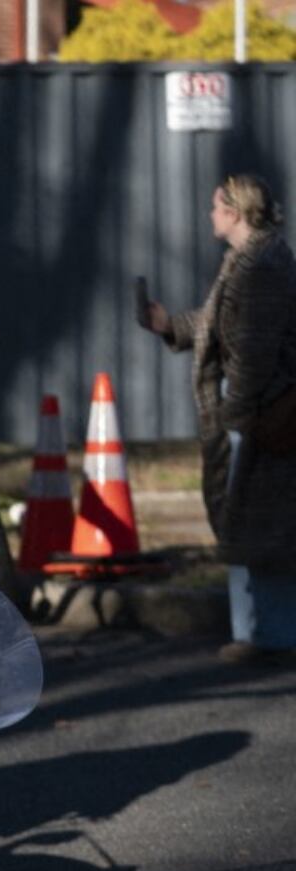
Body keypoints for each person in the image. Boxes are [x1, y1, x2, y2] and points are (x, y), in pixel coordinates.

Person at [139, 173, 296, 666]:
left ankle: (263, 633)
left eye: (216, 206)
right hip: (248, 406)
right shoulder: (246, 260)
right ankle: (256, 629)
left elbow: (253, 349)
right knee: (249, 520)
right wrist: (168, 326)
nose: (210, 214)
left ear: (236, 211)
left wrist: (239, 412)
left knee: (253, 522)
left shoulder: (263, 266)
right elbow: (215, 323)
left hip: (256, 409)